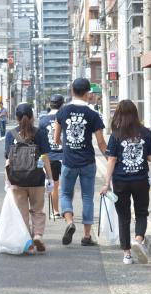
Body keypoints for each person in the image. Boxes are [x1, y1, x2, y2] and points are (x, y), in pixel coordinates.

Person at [100, 100, 151, 265]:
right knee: (141, 212)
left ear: (119, 114)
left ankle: (127, 254)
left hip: (120, 182)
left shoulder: (116, 135)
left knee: (123, 217)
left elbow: (111, 160)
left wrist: (106, 183)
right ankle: (138, 240)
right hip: (140, 180)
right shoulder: (145, 133)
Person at [54, 78, 107, 246]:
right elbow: (100, 142)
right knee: (87, 197)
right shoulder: (93, 114)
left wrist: (69, 146)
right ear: (87, 94)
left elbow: (56, 139)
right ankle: (86, 236)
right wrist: (111, 159)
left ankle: (70, 222)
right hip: (88, 162)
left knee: (65, 194)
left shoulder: (62, 111)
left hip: (69, 162)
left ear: (72, 91)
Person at [4, 103, 54, 253]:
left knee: (22, 212)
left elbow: (8, 160)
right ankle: (37, 235)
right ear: (32, 117)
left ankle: (27, 242)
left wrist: (7, 181)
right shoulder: (39, 132)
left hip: (17, 179)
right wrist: (50, 178)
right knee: (37, 209)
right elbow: (45, 157)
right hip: (36, 178)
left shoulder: (10, 134)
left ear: (16, 118)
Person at [39, 94, 65, 219]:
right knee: (66, 185)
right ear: (62, 104)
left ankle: (55, 211)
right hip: (65, 156)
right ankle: (68, 211)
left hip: (50, 157)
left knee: (53, 184)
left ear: (50, 104)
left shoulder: (43, 120)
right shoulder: (65, 117)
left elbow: (39, 140)